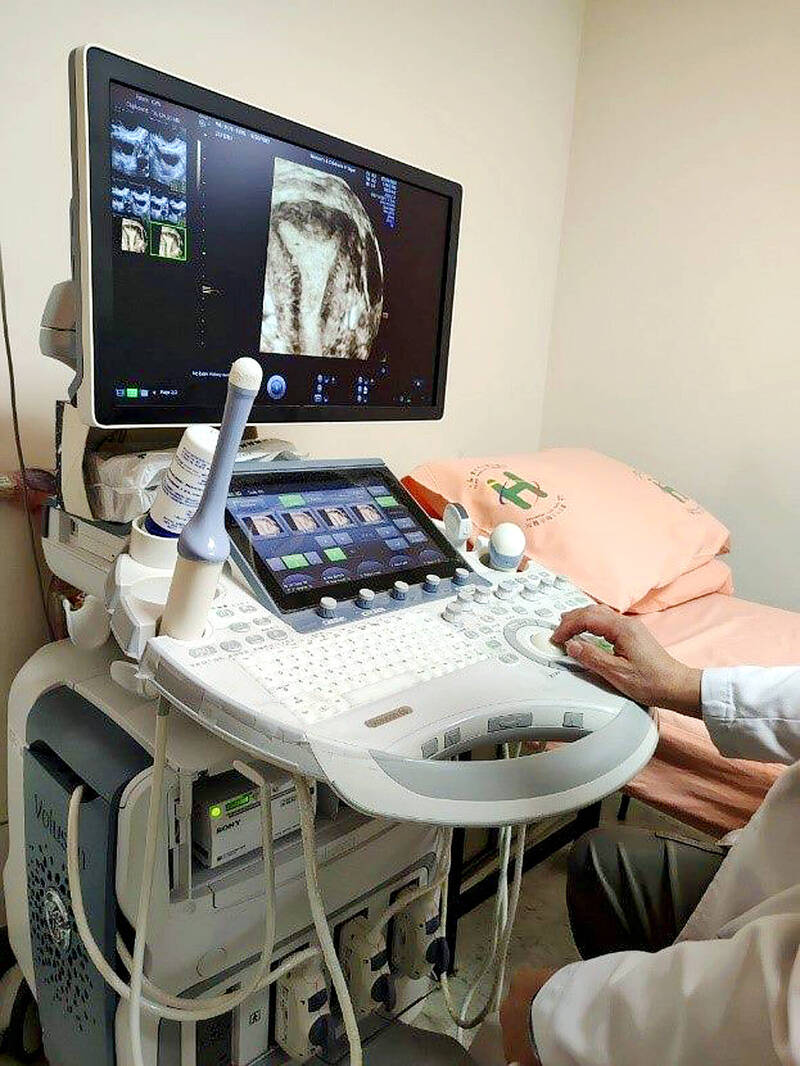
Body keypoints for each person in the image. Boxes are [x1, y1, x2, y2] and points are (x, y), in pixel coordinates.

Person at [500, 604, 800, 1066]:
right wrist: (685, 684)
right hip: (777, 871)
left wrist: (560, 1017)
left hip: (769, 1008)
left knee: (524, 1019)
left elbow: (776, 1019)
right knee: (602, 861)